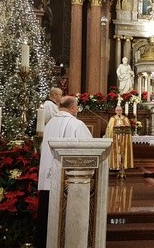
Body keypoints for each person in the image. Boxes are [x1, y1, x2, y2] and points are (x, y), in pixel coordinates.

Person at [36, 96, 92, 248]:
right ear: (73, 108)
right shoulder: (76, 124)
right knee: (66, 223)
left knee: (46, 222)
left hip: (46, 183)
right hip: (69, 183)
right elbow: (90, 150)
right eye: (77, 107)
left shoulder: (48, 124)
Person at [105, 105, 134, 171]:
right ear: (115, 111)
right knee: (115, 151)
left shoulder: (125, 118)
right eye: (118, 110)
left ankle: (124, 165)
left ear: (122, 111)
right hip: (115, 138)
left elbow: (128, 128)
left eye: (120, 110)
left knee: (123, 151)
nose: (119, 112)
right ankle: (114, 165)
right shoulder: (112, 118)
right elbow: (109, 129)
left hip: (124, 138)